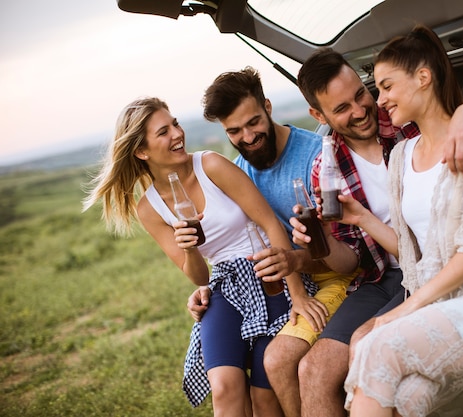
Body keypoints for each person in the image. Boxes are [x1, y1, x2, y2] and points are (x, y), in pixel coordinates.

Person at [289, 47, 463, 417]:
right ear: (318, 115)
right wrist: (324, 241)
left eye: (363, 93)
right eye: (342, 108)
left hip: (445, 277)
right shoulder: (329, 167)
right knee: (314, 369)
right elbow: (355, 260)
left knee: (370, 343)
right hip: (386, 272)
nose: (366, 107)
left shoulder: (406, 122)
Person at [82, 97, 310, 416]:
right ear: (142, 151)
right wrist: (188, 247)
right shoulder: (149, 209)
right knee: (224, 388)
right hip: (225, 286)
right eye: (164, 131)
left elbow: (270, 223)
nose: (177, 134)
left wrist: (296, 293)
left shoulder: (211, 165)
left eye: (175, 124)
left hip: (270, 273)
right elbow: (200, 277)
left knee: (264, 398)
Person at [187, 67, 358, 417]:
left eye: (253, 123)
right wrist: (207, 288)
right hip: (279, 288)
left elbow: (352, 254)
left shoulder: (315, 158)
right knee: (237, 372)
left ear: (267, 106)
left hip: (336, 279)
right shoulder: (237, 173)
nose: (248, 137)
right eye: (234, 131)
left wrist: (298, 277)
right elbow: (236, 247)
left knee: (276, 359)